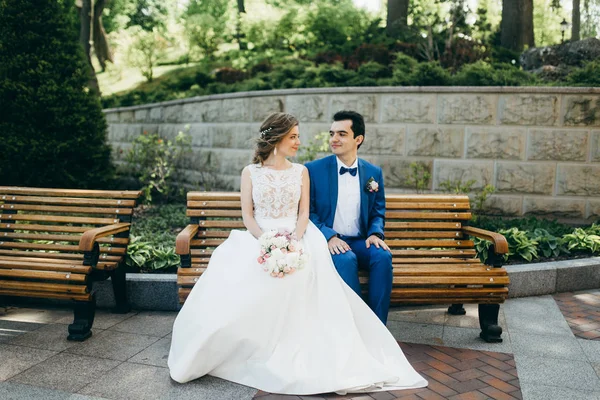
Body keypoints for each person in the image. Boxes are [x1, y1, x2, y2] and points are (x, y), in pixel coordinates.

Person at [168, 112, 427, 395]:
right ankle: (255, 343)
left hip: (303, 236)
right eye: (293, 136)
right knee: (254, 279)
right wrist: (269, 242)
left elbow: (306, 213)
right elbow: (248, 216)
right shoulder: (255, 172)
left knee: (374, 259)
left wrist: (293, 239)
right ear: (277, 138)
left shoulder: (310, 172)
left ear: (358, 139)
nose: (300, 142)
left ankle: (373, 333)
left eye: (340, 134)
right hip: (265, 238)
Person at [306, 110, 392, 324]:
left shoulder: (373, 173)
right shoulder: (313, 170)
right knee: (346, 259)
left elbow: (377, 211)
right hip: (330, 241)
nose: (334, 139)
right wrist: (329, 236)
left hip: (360, 240)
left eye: (342, 134)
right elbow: (308, 212)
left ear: (358, 139)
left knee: (382, 256)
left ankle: (378, 326)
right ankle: (356, 325)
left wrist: (375, 233)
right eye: (332, 133)